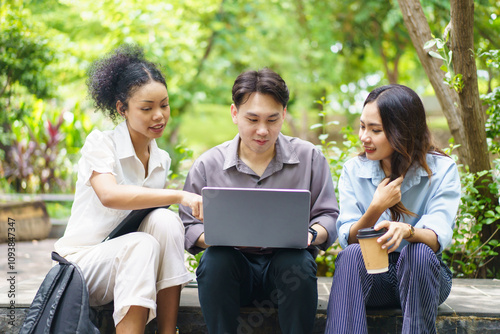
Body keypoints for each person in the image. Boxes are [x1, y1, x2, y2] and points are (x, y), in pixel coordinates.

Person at [54, 44, 203, 334]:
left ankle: (167, 331)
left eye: (164, 104)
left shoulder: (161, 159)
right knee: (142, 242)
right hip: (81, 265)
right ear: (122, 108)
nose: (158, 115)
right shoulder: (101, 143)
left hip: (130, 265)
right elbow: (109, 195)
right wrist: (177, 195)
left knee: (167, 221)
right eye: (146, 108)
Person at [179, 68, 339, 333]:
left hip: (286, 278)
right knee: (216, 259)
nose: (262, 130)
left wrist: (310, 234)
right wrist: (222, 237)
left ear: (284, 114)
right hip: (233, 277)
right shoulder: (209, 165)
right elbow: (187, 226)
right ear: (234, 113)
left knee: (297, 260)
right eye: (252, 119)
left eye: (272, 120)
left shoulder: (309, 158)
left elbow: (328, 217)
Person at [324, 84, 461, 334]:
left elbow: (437, 237)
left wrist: (408, 231)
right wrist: (376, 207)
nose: (364, 136)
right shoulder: (354, 170)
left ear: (403, 131)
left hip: (424, 277)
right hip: (374, 278)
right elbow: (349, 239)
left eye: (375, 130)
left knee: (417, 253)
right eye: (363, 126)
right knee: (351, 256)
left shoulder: (442, 170)